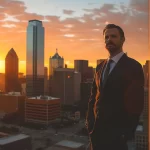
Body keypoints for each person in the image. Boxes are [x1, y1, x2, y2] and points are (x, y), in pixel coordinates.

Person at [85, 24, 144, 150]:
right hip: (96, 133)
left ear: (122, 39)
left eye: (113, 36)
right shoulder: (100, 67)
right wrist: (90, 123)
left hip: (117, 137)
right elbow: (93, 98)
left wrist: (125, 134)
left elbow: (136, 104)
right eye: (106, 37)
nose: (109, 40)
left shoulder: (133, 66)